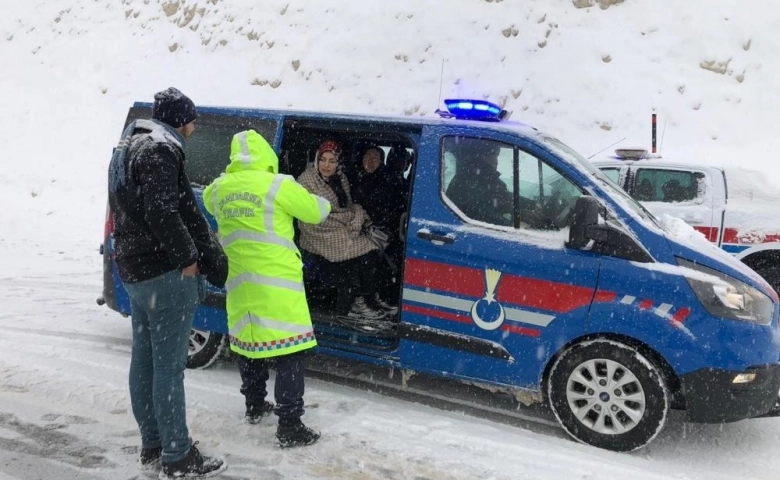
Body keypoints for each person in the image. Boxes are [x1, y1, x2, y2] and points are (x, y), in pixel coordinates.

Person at [107, 87, 227, 478]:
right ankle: (177, 455)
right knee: (169, 368)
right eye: (191, 120)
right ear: (179, 120)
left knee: (144, 360)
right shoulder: (161, 150)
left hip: (135, 272)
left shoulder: (128, 146)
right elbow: (165, 212)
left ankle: (153, 443)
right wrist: (190, 260)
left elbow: (140, 209)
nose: (193, 127)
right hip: (164, 274)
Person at [203, 129, 330, 448]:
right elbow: (314, 212)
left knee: (249, 343)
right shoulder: (279, 185)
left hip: (240, 283)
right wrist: (323, 200)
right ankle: (289, 425)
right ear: (266, 155)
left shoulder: (219, 189)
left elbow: (207, 200)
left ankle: (255, 404)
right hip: (277, 285)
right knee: (290, 351)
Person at [296, 140, 394, 319]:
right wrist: (347, 222)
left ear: (338, 163)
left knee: (372, 249)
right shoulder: (306, 181)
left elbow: (347, 207)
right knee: (361, 253)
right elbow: (308, 216)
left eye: (332, 161)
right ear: (317, 159)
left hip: (339, 227)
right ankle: (357, 303)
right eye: (323, 160)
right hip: (317, 233)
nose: (326, 165)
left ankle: (369, 297)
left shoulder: (341, 178)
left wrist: (352, 218)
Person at [352, 144, 406, 304]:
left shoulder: (386, 182)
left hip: (379, 232)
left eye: (375, 158)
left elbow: (383, 213)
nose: (370, 161)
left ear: (381, 162)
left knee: (368, 256)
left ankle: (368, 299)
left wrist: (365, 220)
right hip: (360, 228)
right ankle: (367, 299)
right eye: (367, 157)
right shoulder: (358, 178)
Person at [445, 138, 514, 226]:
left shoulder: (485, 178)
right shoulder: (472, 179)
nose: (496, 161)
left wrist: (530, 206)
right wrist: (510, 226)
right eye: (493, 155)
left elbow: (503, 197)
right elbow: (482, 215)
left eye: (497, 156)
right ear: (482, 156)